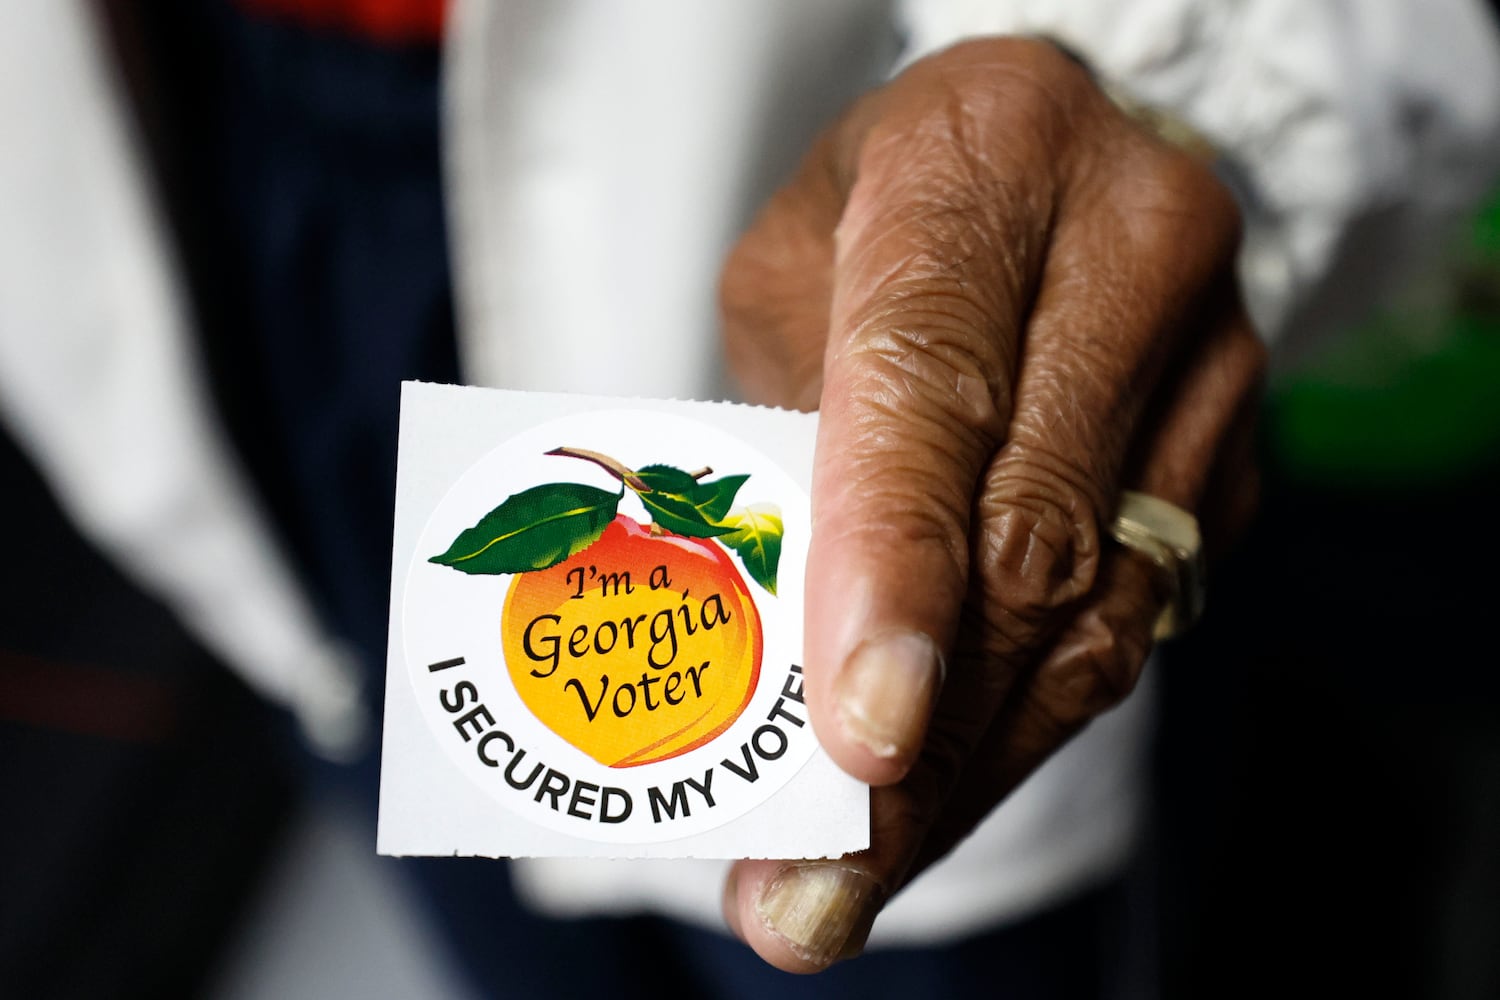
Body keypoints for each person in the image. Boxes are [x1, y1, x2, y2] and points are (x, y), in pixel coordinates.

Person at [2, 0, 1498, 995]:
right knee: (482, 888)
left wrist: (1185, 95)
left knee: (943, 926)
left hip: (857, 176)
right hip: (196, 174)